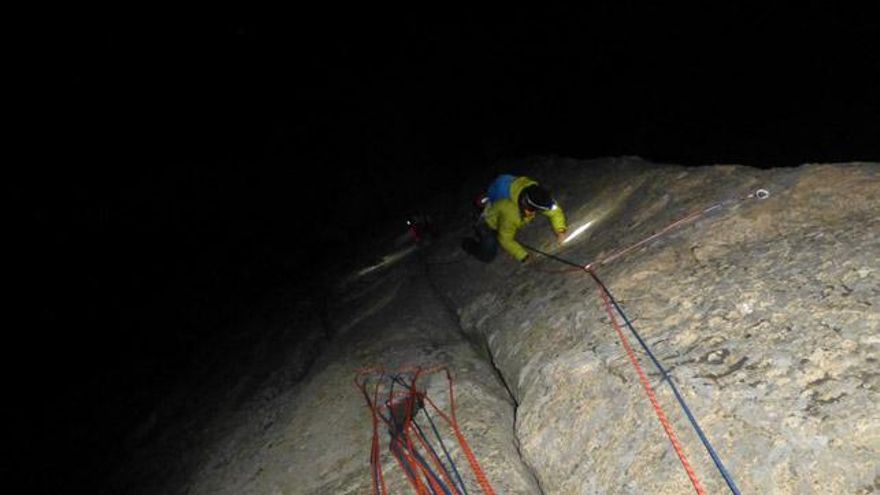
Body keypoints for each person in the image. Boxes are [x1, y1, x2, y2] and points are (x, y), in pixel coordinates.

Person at [462, 174, 567, 263]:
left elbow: (554, 210)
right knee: (487, 255)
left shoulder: (536, 192)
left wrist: (560, 230)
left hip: (505, 198)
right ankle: (468, 243)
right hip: (489, 222)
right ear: (527, 207)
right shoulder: (511, 212)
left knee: (509, 223)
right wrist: (524, 256)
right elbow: (505, 239)